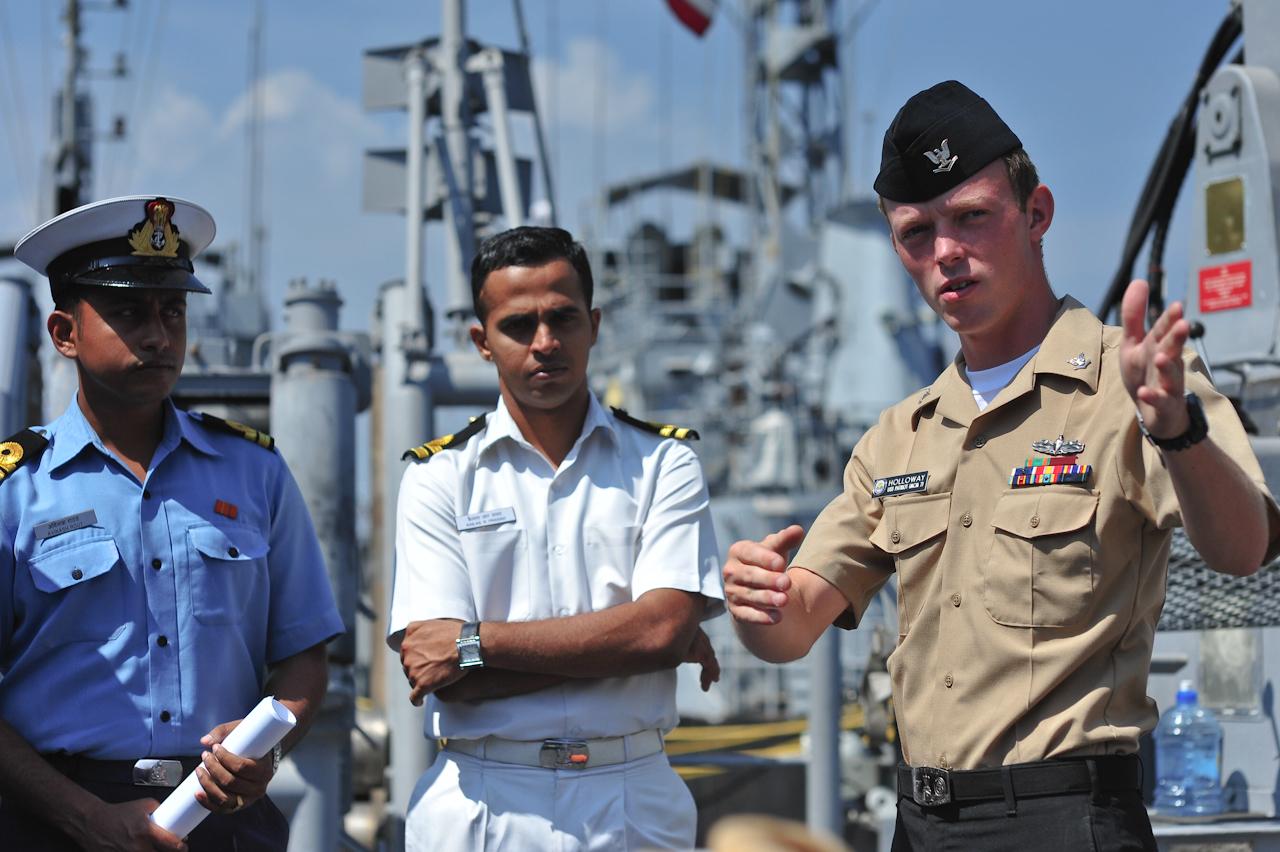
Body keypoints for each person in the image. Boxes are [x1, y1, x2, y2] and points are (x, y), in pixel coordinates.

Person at [722, 81, 1280, 850]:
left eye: (972, 217)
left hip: (1064, 819)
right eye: (917, 233)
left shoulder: (1129, 385)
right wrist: (757, 605)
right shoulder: (899, 438)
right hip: (919, 824)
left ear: (1037, 213)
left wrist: (1177, 430)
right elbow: (794, 626)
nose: (946, 252)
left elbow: (1243, 549)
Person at [0, 195, 344, 851]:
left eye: (173, 312)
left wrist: (267, 754)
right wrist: (81, 817)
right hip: (53, 821)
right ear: (64, 334)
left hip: (223, 817)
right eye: (130, 312)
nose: (159, 336)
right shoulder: (16, 489)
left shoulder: (254, 472)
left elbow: (304, 654)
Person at [389, 225, 724, 851]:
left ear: (593, 325)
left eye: (563, 318)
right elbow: (439, 673)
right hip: (484, 800)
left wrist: (473, 644)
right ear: (481, 343)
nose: (545, 343)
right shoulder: (439, 477)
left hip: (629, 798)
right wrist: (632, 643)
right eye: (519, 326)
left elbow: (658, 633)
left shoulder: (664, 463)